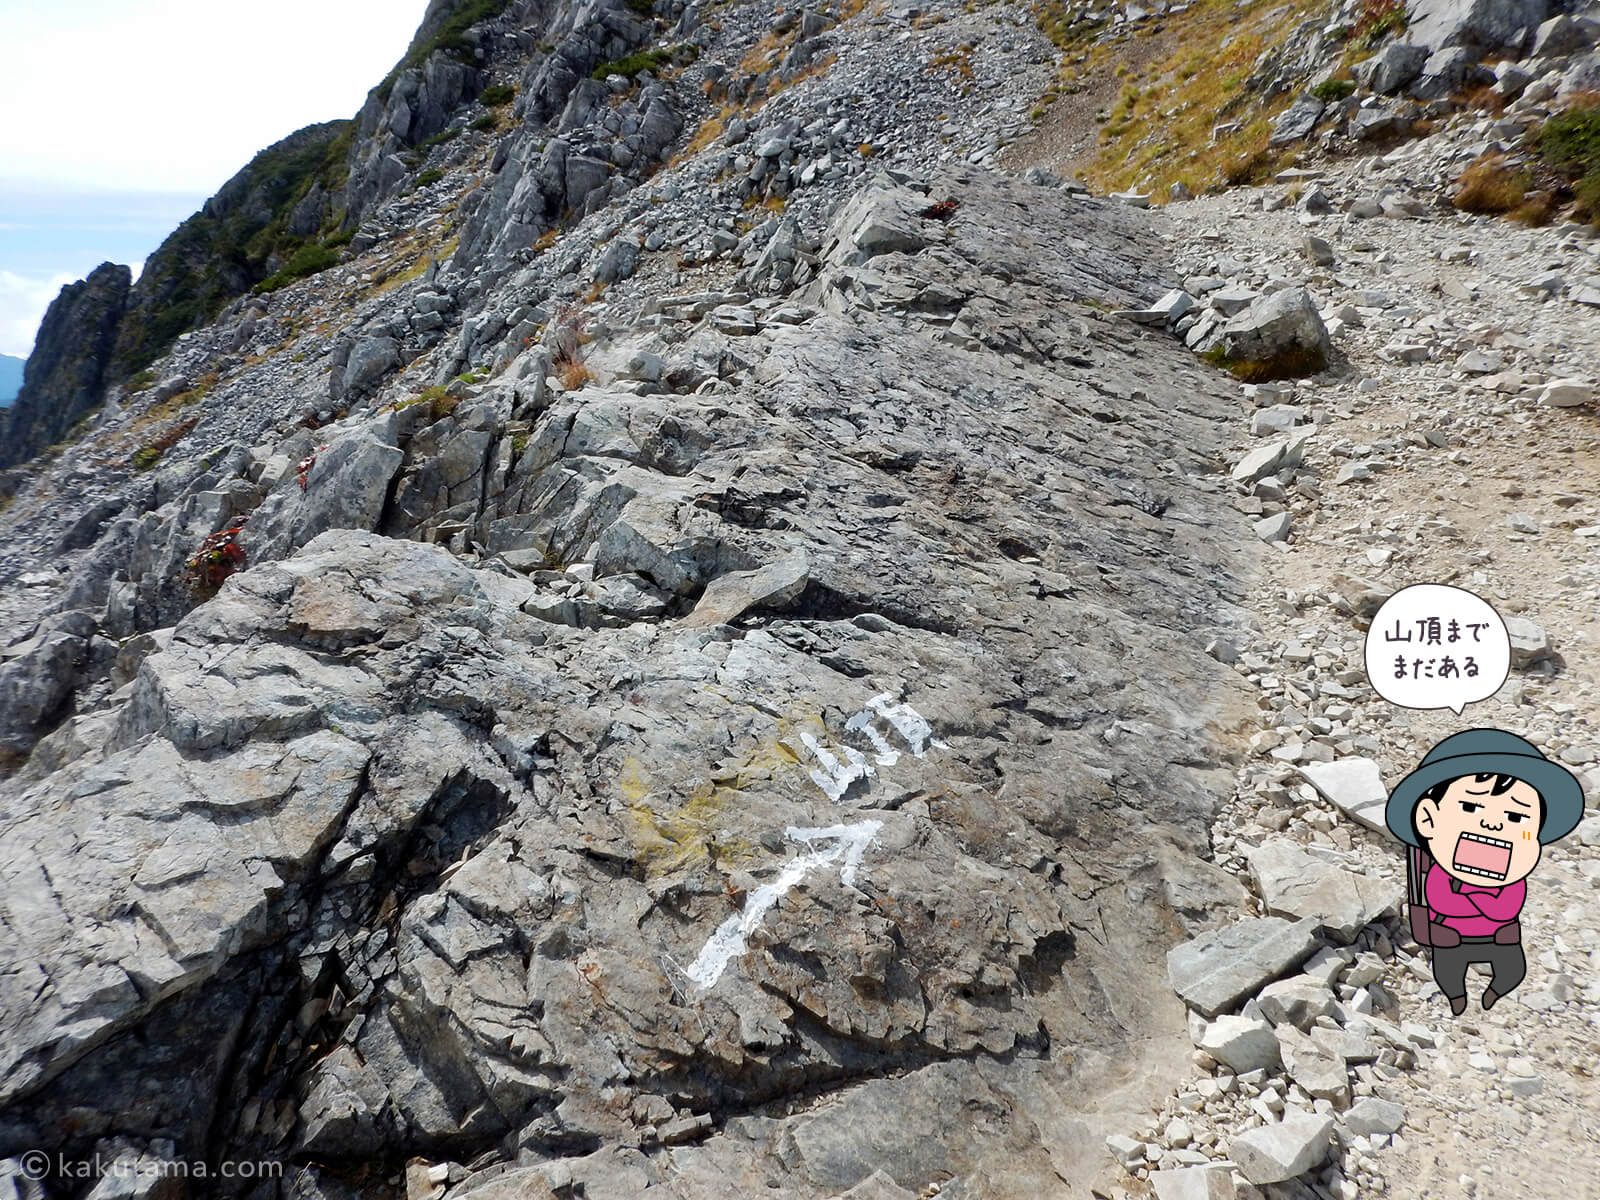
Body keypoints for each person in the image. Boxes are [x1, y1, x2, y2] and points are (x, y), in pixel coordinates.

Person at [1384, 728, 1585, 1017]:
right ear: (1427, 819)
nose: (1492, 825)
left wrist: (1470, 900)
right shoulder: (1443, 869)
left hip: (1500, 937)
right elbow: (1441, 901)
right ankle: (1456, 998)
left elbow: (1507, 909)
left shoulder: (1512, 877)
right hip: (1451, 938)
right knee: (1448, 975)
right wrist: (1484, 900)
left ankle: (1493, 993)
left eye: (1515, 817)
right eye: (1470, 807)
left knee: (1513, 973)